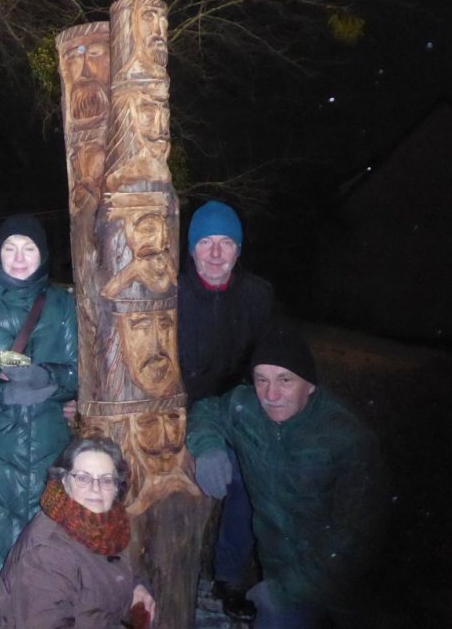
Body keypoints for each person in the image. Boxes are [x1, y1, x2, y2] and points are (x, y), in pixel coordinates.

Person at [187, 322, 389, 629]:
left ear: (310, 385)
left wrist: (286, 590)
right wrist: (207, 448)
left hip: (343, 583)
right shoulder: (247, 408)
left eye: (285, 380)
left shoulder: (347, 439)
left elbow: (358, 536)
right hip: (279, 574)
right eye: (261, 379)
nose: (271, 394)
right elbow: (207, 411)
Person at [0, 214, 79, 627]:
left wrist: (49, 379)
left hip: (46, 453)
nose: (19, 257)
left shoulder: (62, 304)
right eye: (10, 248)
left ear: (42, 255)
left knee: (38, 573)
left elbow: (79, 374)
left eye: (29, 248)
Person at [178, 199, 275, 621]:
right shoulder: (172, 294)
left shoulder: (257, 296)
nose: (216, 253)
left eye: (226, 243)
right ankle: (167, 578)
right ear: (192, 249)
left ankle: (229, 577)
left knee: (253, 474)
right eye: (206, 242)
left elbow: (270, 359)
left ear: (238, 249)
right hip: (180, 410)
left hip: (237, 408)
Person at [0, 435, 157, 629]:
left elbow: (117, 569)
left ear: (116, 487)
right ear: (64, 481)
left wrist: (136, 588)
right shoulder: (46, 554)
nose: (95, 489)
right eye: (83, 478)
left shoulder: (109, 526)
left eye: (106, 480)